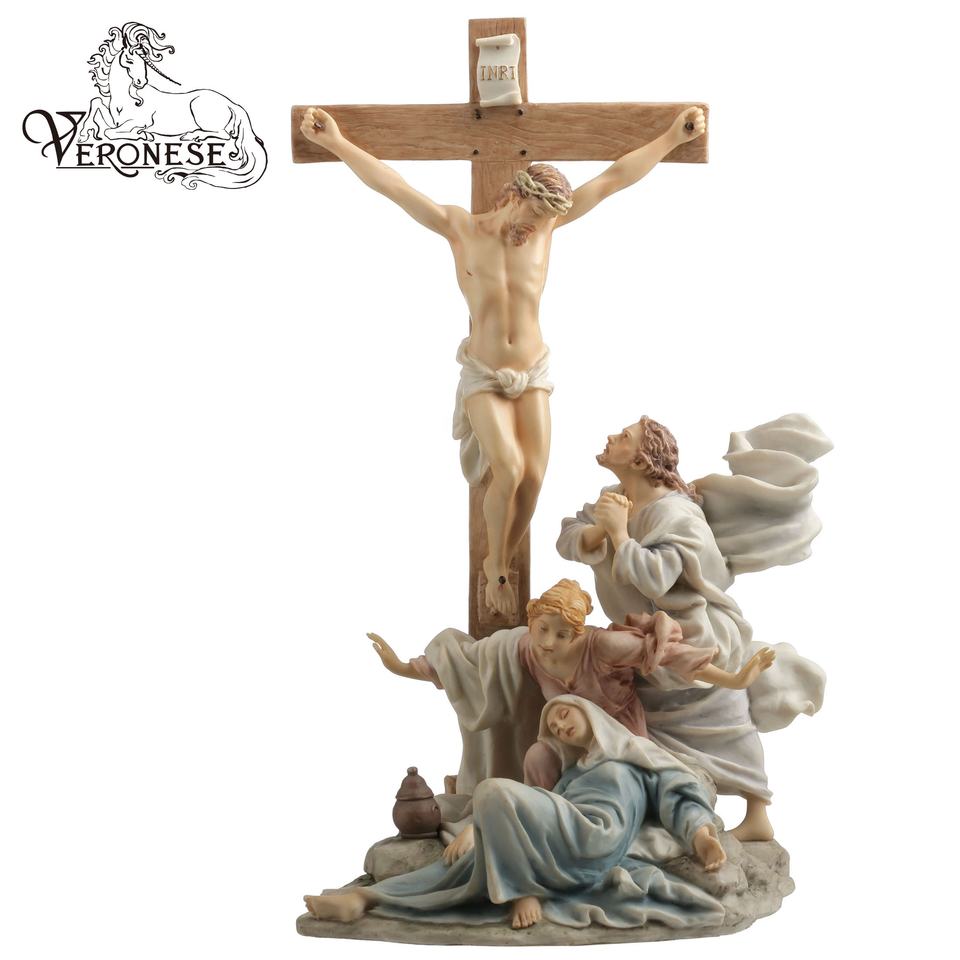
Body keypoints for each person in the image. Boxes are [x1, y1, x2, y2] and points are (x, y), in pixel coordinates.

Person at [299, 105, 707, 617]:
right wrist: (336, 142)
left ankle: (504, 558)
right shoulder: (460, 228)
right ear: (515, 195)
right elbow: (393, 186)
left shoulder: (548, 226)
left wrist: (671, 138)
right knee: (508, 469)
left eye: (545, 221)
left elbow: (613, 179)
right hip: (485, 373)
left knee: (534, 475)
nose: (536, 228)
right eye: (532, 216)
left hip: (533, 369)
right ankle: (494, 566)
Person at [557, 413, 831, 840]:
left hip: (692, 633)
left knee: (721, 719)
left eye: (624, 436)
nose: (611, 437)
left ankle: (757, 813)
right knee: (638, 722)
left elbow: (656, 578)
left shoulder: (676, 514)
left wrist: (619, 534)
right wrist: (599, 532)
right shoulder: (615, 497)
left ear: (642, 459)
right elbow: (568, 536)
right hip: (638, 636)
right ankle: (656, 804)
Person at [303, 696, 726, 931]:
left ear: (589, 711)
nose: (560, 727)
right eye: (554, 728)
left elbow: (677, 795)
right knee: (466, 864)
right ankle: (366, 899)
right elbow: (535, 807)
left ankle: (524, 889)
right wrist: (476, 827)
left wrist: (702, 836)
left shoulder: (636, 755)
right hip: (565, 835)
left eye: (564, 714)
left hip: (598, 839)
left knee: (492, 790)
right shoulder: (574, 774)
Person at [369, 579, 773, 796]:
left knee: (619, 784)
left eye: (561, 634)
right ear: (532, 621)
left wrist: (735, 679)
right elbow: (469, 662)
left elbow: (673, 655)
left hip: (616, 736)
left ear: (577, 633)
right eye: (542, 628)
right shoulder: (526, 648)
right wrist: (403, 667)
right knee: (536, 757)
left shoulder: (604, 646)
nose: (548, 642)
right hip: (564, 736)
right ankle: (542, 821)